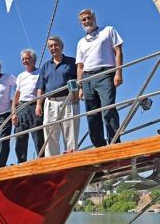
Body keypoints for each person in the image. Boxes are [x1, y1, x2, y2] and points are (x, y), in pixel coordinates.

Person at [76, 8, 124, 147]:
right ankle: (99, 146)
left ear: (94, 18)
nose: (86, 21)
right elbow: (80, 66)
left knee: (108, 109)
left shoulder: (108, 30)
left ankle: (114, 143)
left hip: (105, 73)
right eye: (83, 20)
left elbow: (118, 51)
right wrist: (80, 87)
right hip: (87, 78)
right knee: (92, 115)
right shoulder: (81, 42)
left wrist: (118, 72)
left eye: (88, 18)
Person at [35, 36, 80, 157]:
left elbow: (80, 78)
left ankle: (71, 158)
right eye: (51, 46)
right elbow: (41, 86)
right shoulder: (45, 66)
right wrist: (39, 104)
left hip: (68, 100)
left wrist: (78, 91)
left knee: (70, 132)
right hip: (50, 103)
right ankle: (52, 161)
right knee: (50, 133)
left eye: (56, 45)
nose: (53, 48)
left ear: (61, 46)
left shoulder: (72, 62)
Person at [12, 49, 44, 162]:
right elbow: (17, 94)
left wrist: (39, 104)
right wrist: (13, 112)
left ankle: (42, 160)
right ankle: (21, 162)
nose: (24, 61)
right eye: (23, 59)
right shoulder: (20, 76)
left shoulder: (40, 72)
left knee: (38, 136)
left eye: (27, 58)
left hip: (34, 106)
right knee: (20, 137)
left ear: (33, 60)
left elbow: (42, 90)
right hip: (21, 107)